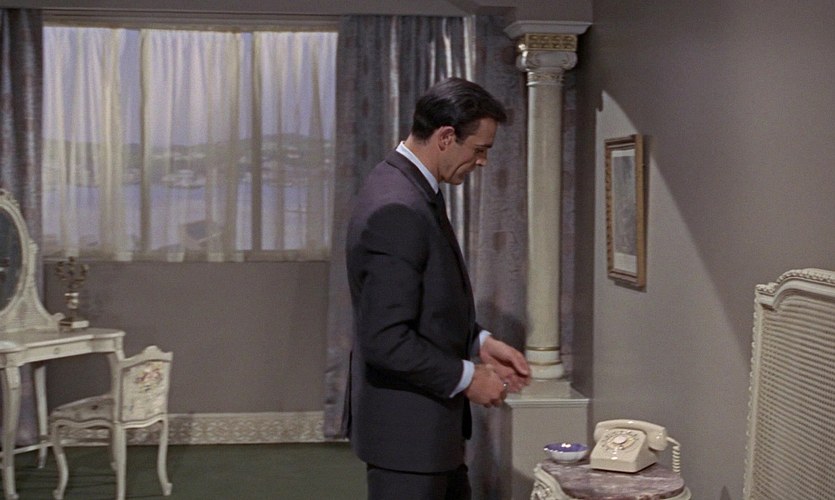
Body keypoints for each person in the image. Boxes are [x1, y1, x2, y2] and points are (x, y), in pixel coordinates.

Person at [344, 77, 532, 500]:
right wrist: (468, 377)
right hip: (408, 437)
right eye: (479, 149)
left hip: (425, 434)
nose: (483, 161)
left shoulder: (408, 186)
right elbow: (385, 338)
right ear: (446, 137)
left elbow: (425, 301)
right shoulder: (398, 206)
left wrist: (479, 342)